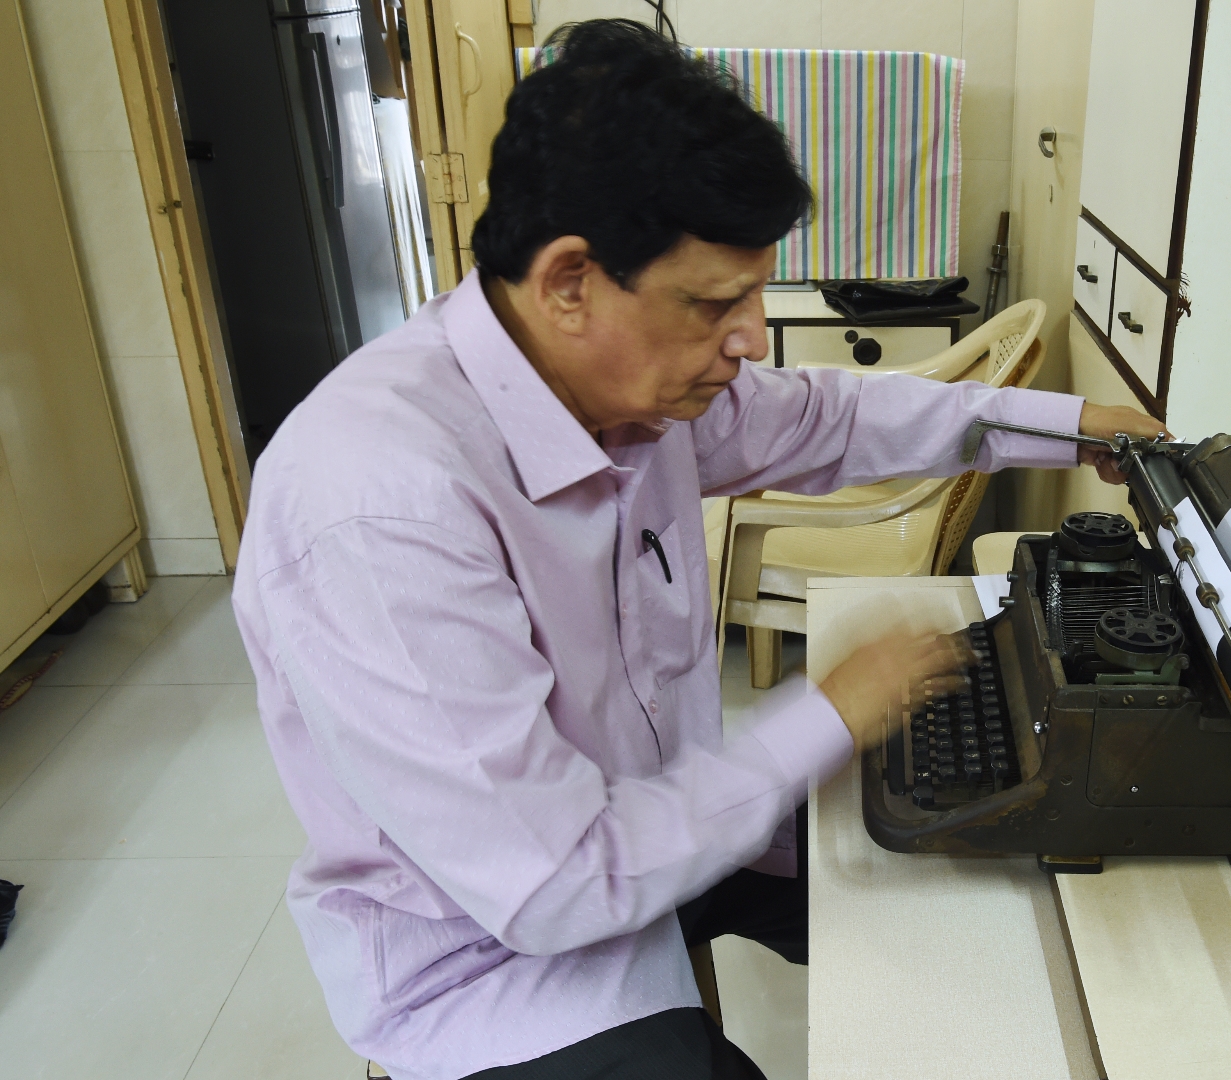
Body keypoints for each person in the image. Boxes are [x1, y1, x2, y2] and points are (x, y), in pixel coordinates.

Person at [232, 19, 1163, 1080]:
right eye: (715, 303)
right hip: (490, 954)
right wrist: (829, 710)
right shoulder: (379, 507)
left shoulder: (629, 392)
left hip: (654, 823)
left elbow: (830, 419)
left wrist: (1072, 427)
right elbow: (557, 884)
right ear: (570, 282)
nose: (751, 338)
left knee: (968, 890)